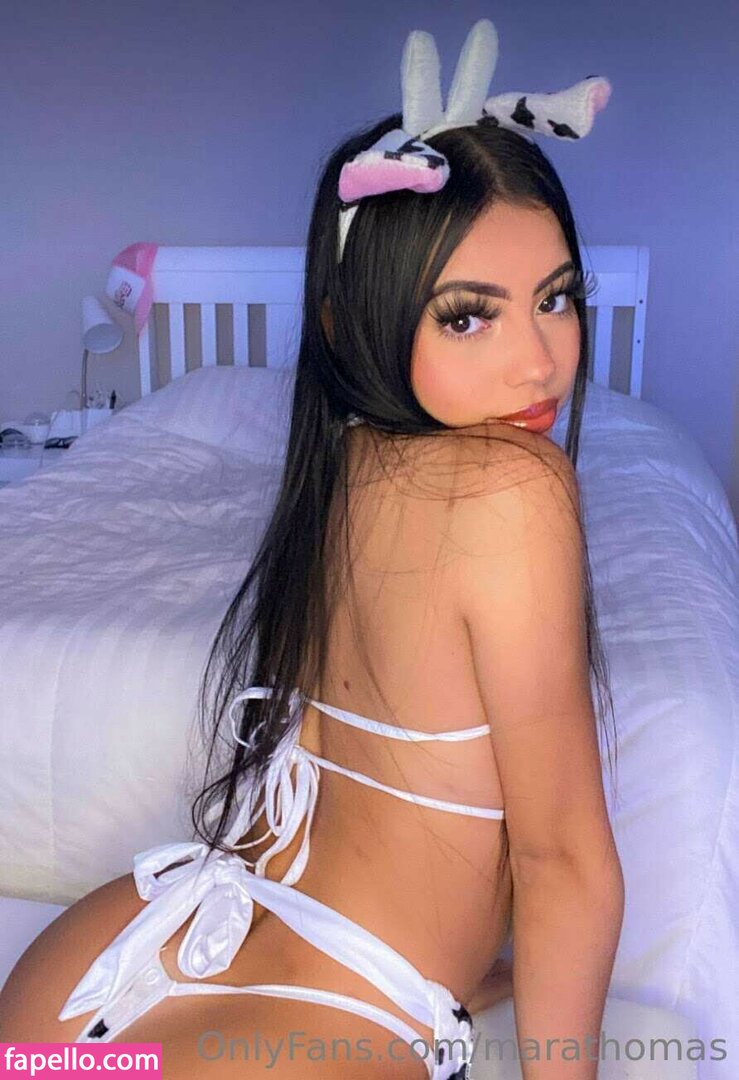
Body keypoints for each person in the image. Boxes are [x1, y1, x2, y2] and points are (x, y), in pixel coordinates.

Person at [0, 18, 624, 1079]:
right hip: (303, 995)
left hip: (103, 967)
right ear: (353, 325)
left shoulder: (344, 451)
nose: (539, 362)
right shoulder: (517, 489)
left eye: (556, 299)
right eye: (467, 318)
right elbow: (563, 860)